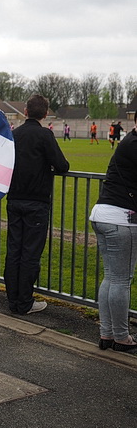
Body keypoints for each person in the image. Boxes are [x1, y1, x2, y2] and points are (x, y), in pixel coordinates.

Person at [3, 95, 70, 315]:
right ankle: (24, 302)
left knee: (14, 250)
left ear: (25, 111)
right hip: (36, 202)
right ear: (45, 113)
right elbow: (62, 165)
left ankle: (13, 299)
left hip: (14, 199)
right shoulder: (44, 135)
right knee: (30, 253)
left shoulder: (14, 135)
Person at [90, 113, 137, 353]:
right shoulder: (134, 143)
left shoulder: (128, 141)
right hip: (121, 219)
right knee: (120, 280)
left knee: (111, 277)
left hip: (102, 214)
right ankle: (121, 337)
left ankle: (107, 334)